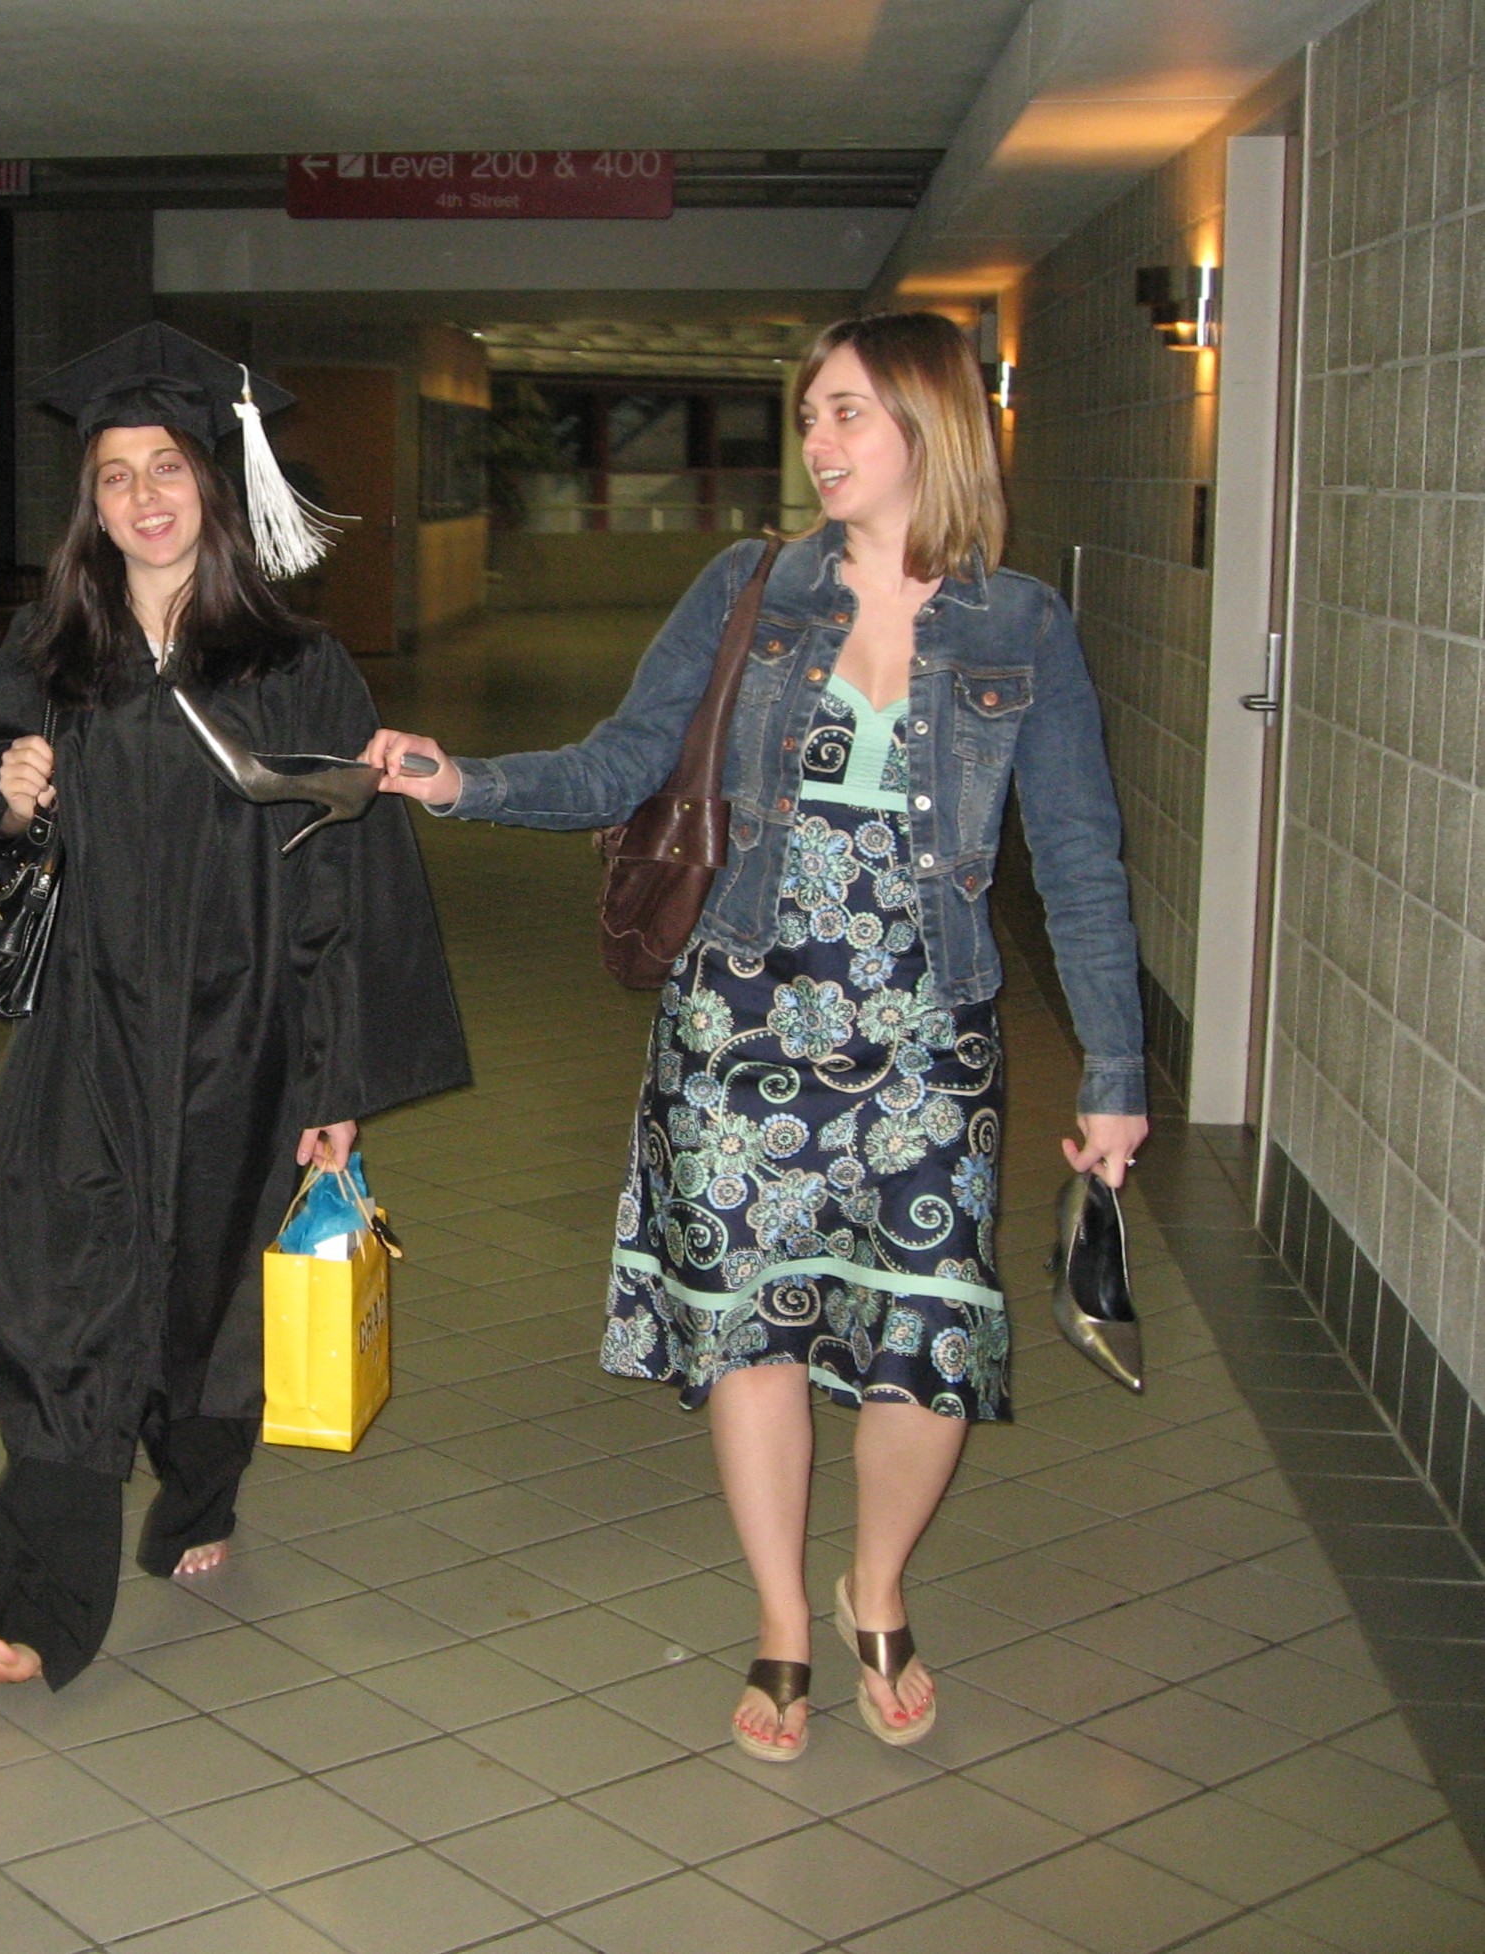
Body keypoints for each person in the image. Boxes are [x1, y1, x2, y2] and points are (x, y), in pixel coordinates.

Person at [365, 311, 1147, 1762]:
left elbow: (1084, 859)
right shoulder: (752, 587)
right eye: (810, 417)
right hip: (739, 1015)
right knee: (751, 1327)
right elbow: (625, 759)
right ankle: (785, 1619)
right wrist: (464, 778)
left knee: (931, 1337)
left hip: (929, 1032)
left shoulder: (1022, 623)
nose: (819, 442)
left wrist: (1115, 1069)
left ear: (930, 424)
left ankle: (874, 1584)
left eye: (848, 413)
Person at [0, 323, 470, 1690]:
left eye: (166, 466)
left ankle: (201, 1486)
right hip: (87, 1030)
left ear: (214, 485)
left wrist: (335, 1084)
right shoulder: (55, 651)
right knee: (57, 1295)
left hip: (245, 1038)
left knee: (211, 1299)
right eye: (114, 476)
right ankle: (40, 1599)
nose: (142, 497)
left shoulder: (297, 666)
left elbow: (345, 879)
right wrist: (4, 796)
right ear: (91, 505)